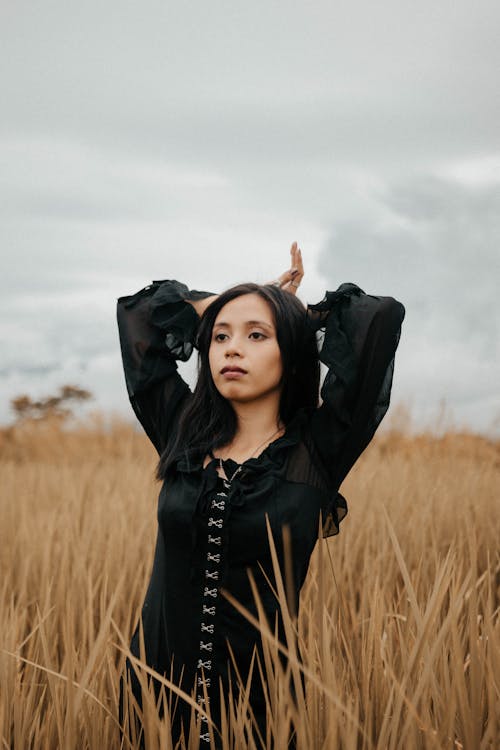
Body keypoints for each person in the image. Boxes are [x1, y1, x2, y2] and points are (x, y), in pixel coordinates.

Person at [116, 243, 405, 748]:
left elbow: (377, 318)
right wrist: (230, 301)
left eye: (256, 336)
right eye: (221, 337)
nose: (231, 348)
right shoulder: (182, 433)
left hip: (261, 705)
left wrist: (293, 312)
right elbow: (139, 316)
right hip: (156, 695)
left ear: (291, 354)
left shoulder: (317, 450)